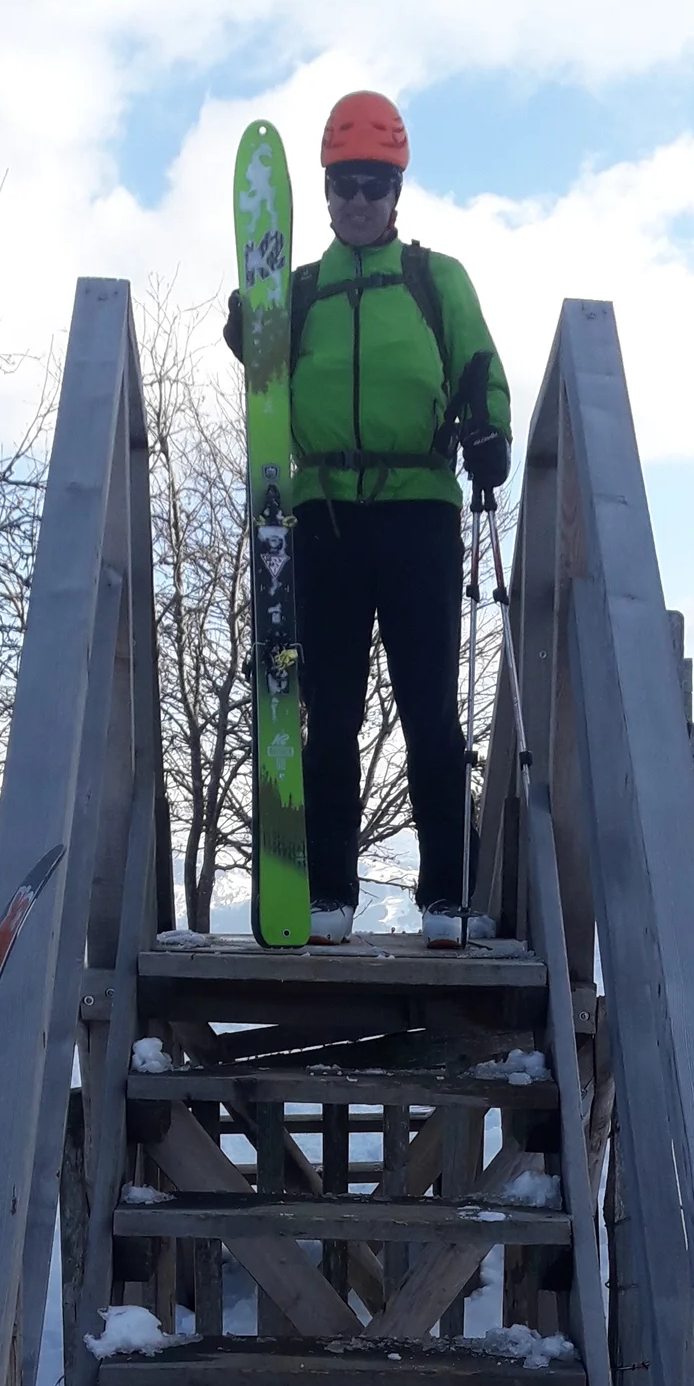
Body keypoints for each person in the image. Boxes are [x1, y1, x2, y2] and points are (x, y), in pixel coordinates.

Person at [226, 89, 512, 946]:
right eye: (344, 183)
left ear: (397, 193)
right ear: (324, 192)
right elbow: (269, 379)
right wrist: (251, 333)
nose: (358, 199)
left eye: (374, 184)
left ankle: (446, 894)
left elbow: (478, 363)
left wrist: (489, 425)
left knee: (430, 710)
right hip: (323, 519)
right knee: (331, 716)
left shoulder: (435, 279)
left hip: (419, 511)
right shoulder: (302, 290)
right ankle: (328, 893)